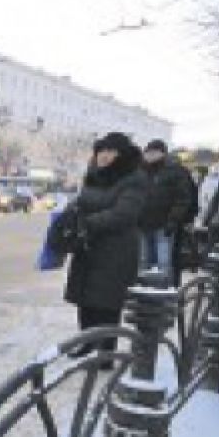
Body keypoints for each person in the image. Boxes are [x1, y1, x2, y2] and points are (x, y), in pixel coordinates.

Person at [64, 132, 147, 357]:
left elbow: (124, 214)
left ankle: (106, 353)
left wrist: (88, 222)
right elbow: (83, 202)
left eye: (111, 151)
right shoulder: (93, 175)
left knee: (107, 303)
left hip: (115, 249)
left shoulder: (134, 179)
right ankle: (87, 343)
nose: (104, 156)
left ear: (121, 155)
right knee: (86, 301)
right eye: (101, 150)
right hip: (89, 246)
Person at [136, 139, 195, 285]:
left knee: (164, 262)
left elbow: (183, 198)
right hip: (143, 224)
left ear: (162, 153)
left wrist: (173, 220)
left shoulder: (174, 171)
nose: (150, 155)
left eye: (153, 152)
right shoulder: (141, 170)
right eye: (148, 152)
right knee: (144, 261)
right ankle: (144, 292)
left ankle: (164, 293)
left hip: (164, 225)